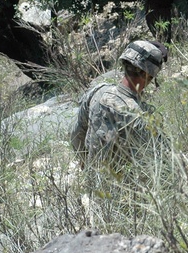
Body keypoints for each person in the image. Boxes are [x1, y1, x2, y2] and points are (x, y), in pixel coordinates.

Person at [70, 39, 168, 170]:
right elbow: (157, 161)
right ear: (148, 74)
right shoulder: (137, 116)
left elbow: (76, 132)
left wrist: (85, 163)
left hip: (93, 182)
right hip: (120, 187)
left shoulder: (98, 90)